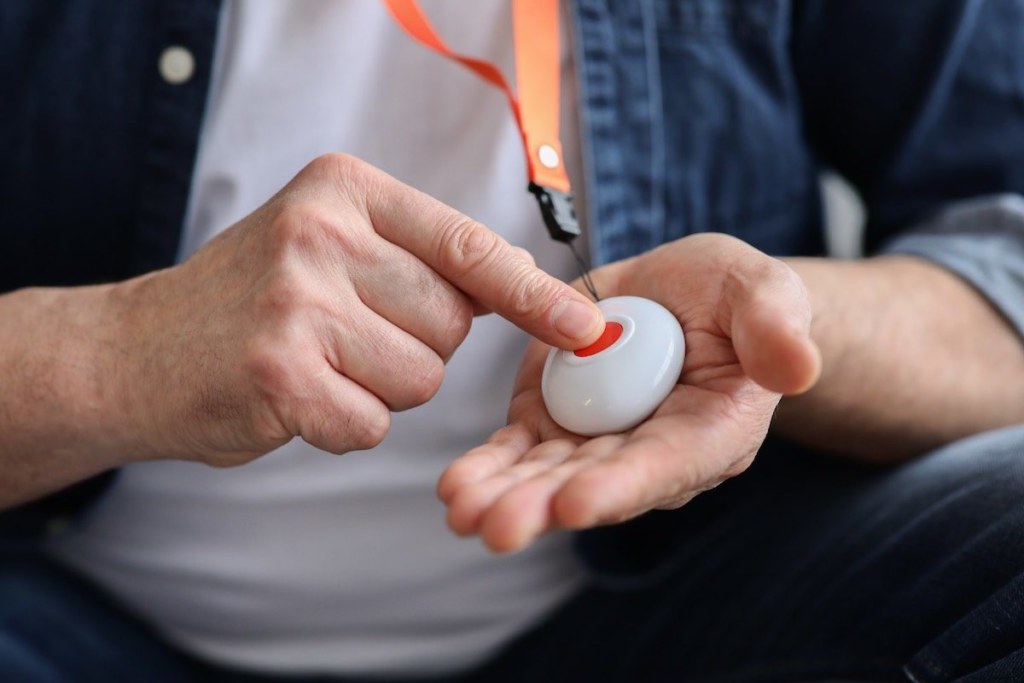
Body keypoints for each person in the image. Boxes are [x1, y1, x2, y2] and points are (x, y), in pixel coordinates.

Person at [2, 1, 1024, 681]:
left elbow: (1004, 250)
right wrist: (112, 353)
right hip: (70, 621)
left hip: (677, 602)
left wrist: (778, 321)